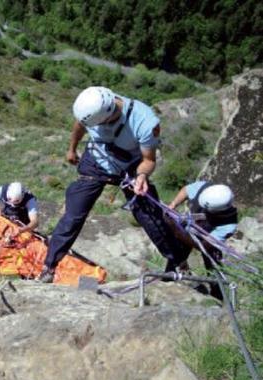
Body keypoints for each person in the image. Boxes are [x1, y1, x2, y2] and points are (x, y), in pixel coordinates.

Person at [37, 86, 181, 282]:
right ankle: (49, 266)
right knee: (73, 215)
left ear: (109, 114)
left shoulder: (145, 122)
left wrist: (141, 176)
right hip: (98, 160)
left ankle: (178, 262)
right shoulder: (92, 106)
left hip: (131, 166)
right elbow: (79, 125)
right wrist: (72, 149)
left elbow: (149, 160)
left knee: (149, 216)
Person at [168, 181, 238, 299]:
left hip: (208, 239)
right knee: (177, 255)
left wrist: (177, 231)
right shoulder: (205, 188)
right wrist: (173, 204)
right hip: (189, 226)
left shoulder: (228, 225)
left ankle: (218, 296)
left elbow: (204, 246)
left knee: (213, 265)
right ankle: (172, 278)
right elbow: (186, 190)